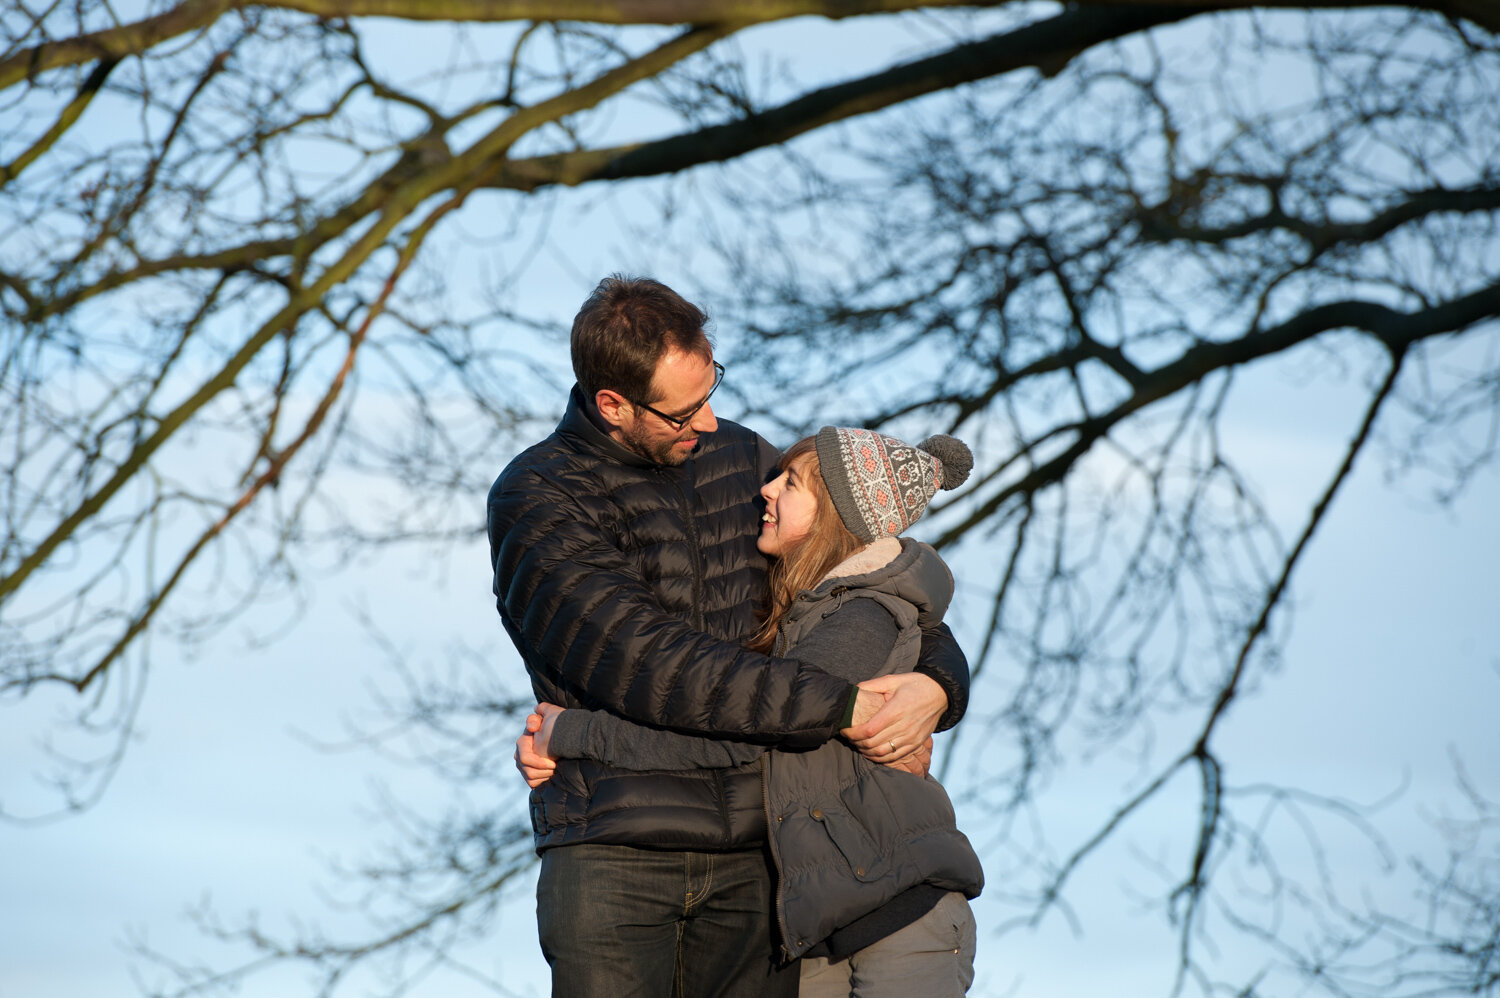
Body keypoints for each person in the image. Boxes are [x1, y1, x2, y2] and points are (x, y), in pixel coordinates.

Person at [486, 276, 970, 997]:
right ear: (613, 405)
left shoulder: (746, 463)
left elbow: (866, 587)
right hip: (619, 857)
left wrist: (934, 686)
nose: (709, 422)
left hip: (763, 860)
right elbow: (656, 667)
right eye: (685, 411)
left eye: (712, 389)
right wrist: (846, 706)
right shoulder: (539, 498)